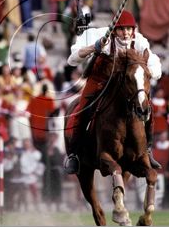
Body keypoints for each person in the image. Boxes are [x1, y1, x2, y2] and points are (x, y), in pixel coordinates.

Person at [64, 10, 163, 173]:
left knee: (146, 106)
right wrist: (94, 47)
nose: (126, 33)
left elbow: (153, 62)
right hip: (99, 80)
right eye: (122, 29)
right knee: (83, 108)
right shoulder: (99, 35)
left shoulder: (139, 40)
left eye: (129, 29)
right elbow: (73, 59)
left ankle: (147, 150)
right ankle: (74, 153)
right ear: (114, 30)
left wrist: (148, 73)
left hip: (125, 83)